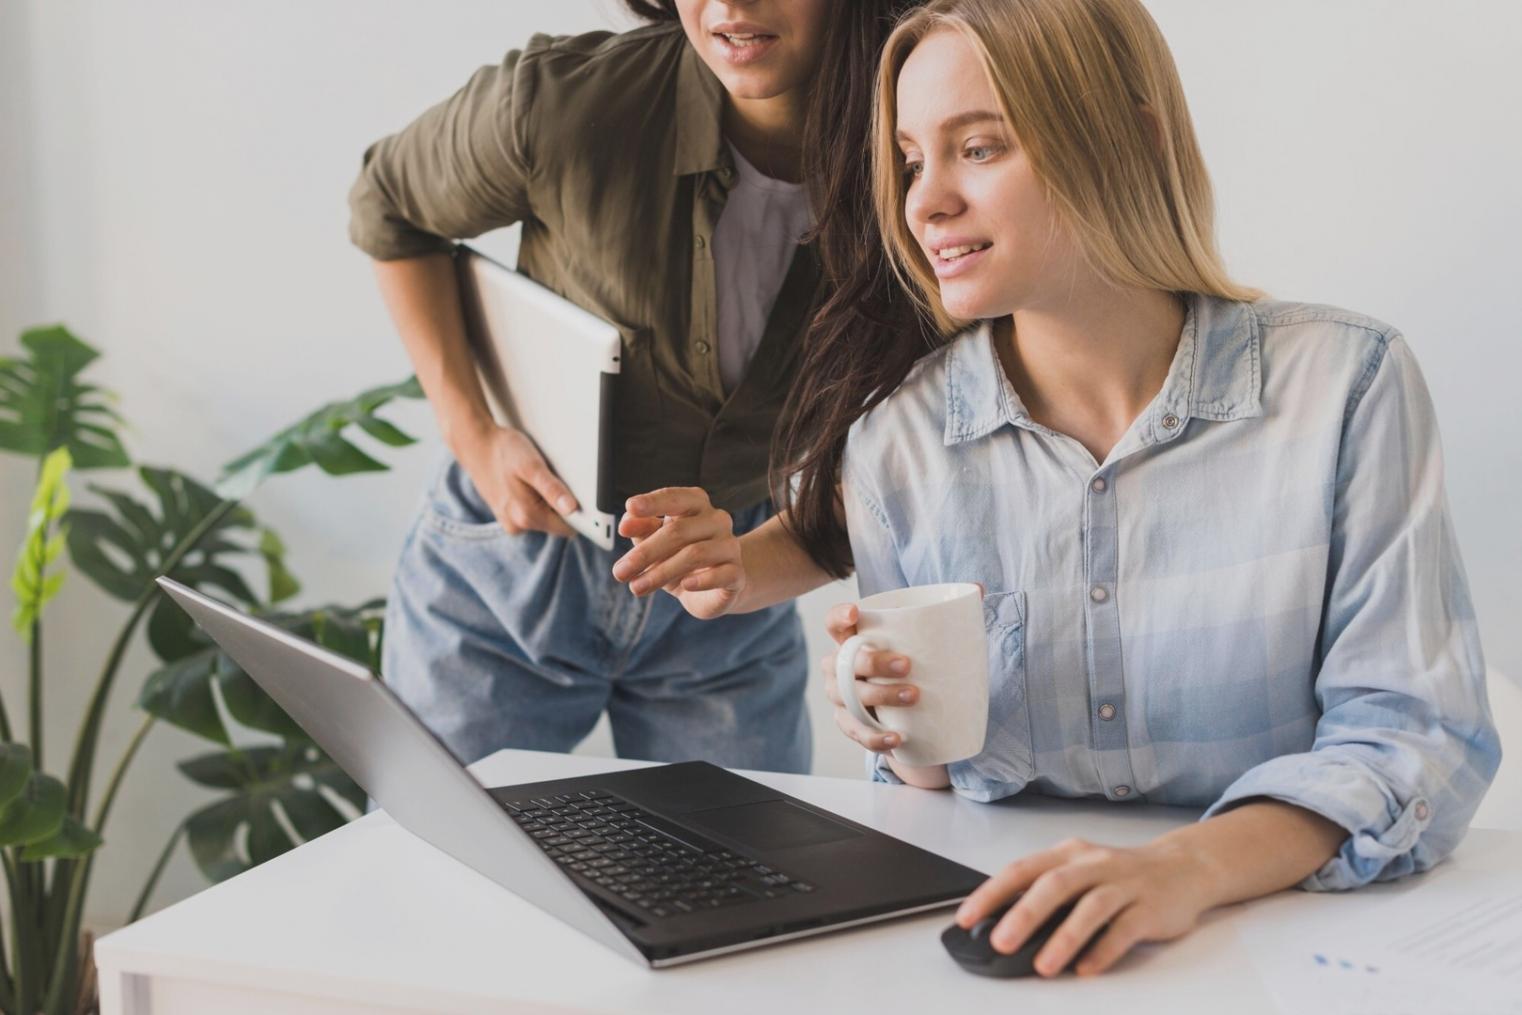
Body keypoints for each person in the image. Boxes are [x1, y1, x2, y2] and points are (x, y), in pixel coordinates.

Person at [611, 0, 1501, 977]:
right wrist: (896, 729)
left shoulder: (1343, 385)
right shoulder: (895, 438)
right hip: (1002, 959)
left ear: (1125, 136)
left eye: (978, 148)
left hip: (1301, 955)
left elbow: (1412, 740)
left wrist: (1182, 868)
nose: (924, 202)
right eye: (910, 161)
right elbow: (932, 786)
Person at [348, 0, 922, 773]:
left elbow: (931, 424)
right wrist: (472, 436)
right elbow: (387, 202)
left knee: (743, 886)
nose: (729, 7)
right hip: (510, 568)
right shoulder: (563, 102)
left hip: (733, 586)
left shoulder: (922, 152)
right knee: (438, 875)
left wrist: (753, 563)